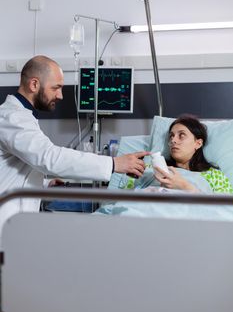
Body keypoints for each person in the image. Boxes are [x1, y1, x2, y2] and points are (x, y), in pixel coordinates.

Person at [0, 55, 149, 221]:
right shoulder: (12, 118)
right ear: (34, 84)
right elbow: (48, 158)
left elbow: (16, 167)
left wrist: (45, 184)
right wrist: (114, 164)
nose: (60, 95)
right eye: (56, 88)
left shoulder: (22, 117)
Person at [155, 115, 233, 193]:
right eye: (171, 136)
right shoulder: (155, 167)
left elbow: (225, 204)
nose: (173, 140)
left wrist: (185, 187)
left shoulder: (214, 176)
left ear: (198, 143)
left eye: (181, 135)